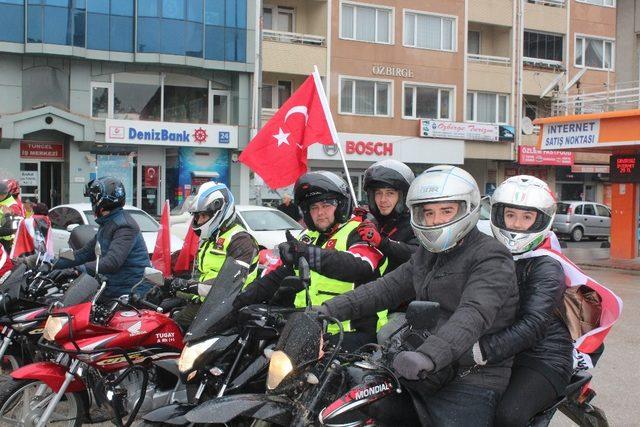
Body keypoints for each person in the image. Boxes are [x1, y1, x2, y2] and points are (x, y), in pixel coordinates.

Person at [320, 165, 518, 426]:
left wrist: (429, 356)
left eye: (446, 211)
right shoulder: (428, 255)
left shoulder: (491, 256)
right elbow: (385, 288)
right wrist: (326, 310)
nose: (435, 221)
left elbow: (473, 313)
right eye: (428, 213)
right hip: (421, 362)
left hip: (473, 374)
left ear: (467, 208)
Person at [235, 171, 383, 348]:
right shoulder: (308, 237)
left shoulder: (359, 231)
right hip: (309, 329)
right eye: (314, 207)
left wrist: (308, 254)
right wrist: (240, 300)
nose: (320, 213)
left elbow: (359, 266)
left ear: (341, 205)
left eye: (326, 205)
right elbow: (279, 275)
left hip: (350, 334)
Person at [468, 175, 573, 426]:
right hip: (501, 351)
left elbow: (534, 323)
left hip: (543, 356)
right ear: (498, 215)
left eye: (527, 217)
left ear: (541, 221)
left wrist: (482, 349)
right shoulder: (490, 254)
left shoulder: (546, 265)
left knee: (508, 416)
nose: (516, 224)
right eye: (511, 215)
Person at [171, 181, 260, 330]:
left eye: (203, 216)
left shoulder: (240, 240)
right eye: (197, 216)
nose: (199, 221)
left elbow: (228, 285)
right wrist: (171, 286)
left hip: (229, 307)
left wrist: (186, 286)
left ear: (220, 212)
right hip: (206, 303)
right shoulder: (209, 240)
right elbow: (201, 276)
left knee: (170, 331)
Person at [49, 177, 151, 300]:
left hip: (130, 293)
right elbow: (85, 253)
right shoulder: (107, 224)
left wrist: (77, 270)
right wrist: (52, 263)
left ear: (102, 201)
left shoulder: (125, 225)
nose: (92, 203)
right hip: (111, 288)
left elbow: (112, 262)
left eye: (92, 199)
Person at [359, 159, 418, 342]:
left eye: (390, 193)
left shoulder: (414, 223)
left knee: (386, 338)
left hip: (402, 308)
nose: (383, 200)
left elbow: (416, 254)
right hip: (371, 302)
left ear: (402, 196)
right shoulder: (372, 222)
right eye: (378, 193)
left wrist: (382, 242)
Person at [0, 180, 22, 252]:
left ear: (2, 195)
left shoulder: (13, 206)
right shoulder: (2, 200)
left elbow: (14, 228)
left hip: (7, 243)